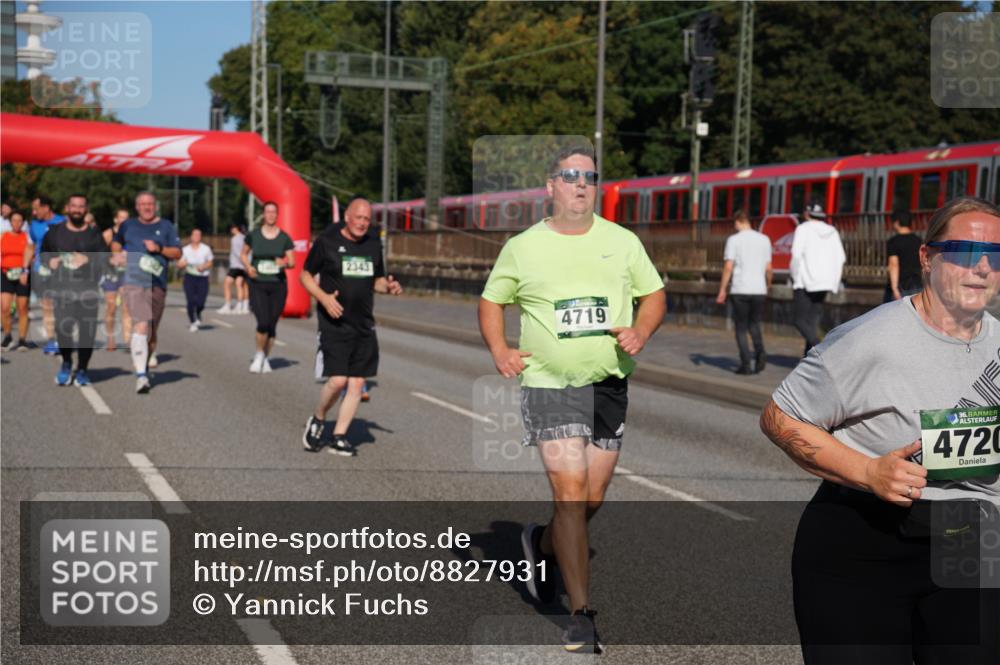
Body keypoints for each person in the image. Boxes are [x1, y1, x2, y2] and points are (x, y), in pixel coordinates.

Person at [760, 196, 1000, 664]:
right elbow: (779, 416)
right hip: (865, 544)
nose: (983, 267)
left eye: (996, 253)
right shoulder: (870, 339)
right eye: (966, 251)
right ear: (927, 258)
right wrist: (868, 471)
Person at [479, 145, 666, 653]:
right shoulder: (523, 246)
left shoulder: (622, 241)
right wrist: (501, 349)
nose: (581, 184)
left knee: (591, 499)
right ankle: (581, 614)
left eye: (589, 176)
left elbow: (653, 294)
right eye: (570, 176)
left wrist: (641, 332)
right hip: (548, 384)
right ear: (551, 186)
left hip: (607, 383)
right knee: (572, 490)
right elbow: (492, 299)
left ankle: (538, 546)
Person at [300, 197, 402, 456]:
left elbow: (377, 280)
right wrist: (322, 298)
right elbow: (305, 275)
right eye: (358, 218)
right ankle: (319, 418)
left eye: (367, 219)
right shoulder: (327, 242)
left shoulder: (372, 244)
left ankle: (339, 437)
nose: (362, 223)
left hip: (364, 324)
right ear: (347, 218)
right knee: (337, 380)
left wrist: (388, 287)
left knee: (356, 384)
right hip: (334, 321)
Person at [111, 191, 181, 393]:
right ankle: (141, 375)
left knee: (151, 332)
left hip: (157, 283)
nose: (147, 207)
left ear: (155, 206)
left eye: (150, 204)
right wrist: (117, 254)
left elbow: (177, 252)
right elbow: (116, 241)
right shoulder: (128, 225)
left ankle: (145, 361)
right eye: (143, 204)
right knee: (141, 323)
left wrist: (159, 248)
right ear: (137, 206)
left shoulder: (166, 226)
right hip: (134, 281)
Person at [39, 194, 107, 386]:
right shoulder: (54, 232)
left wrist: (89, 259)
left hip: (88, 291)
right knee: (63, 330)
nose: (77, 209)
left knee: (87, 333)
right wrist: (49, 260)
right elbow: (43, 253)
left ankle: (83, 369)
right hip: (62, 290)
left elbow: (105, 260)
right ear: (67, 208)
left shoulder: (94, 234)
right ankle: (67, 363)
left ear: (86, 209)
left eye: (81, 206)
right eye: (74, 206)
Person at [716, 208, 772, 374]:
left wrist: (722, 289)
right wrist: (767, 285)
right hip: (759, 289)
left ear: (737, 222)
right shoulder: (764, 239)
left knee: (740, 327)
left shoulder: (734, 240)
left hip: (740, 288)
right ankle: (760, 353)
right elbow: (769, 268)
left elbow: (728, 266)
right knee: (754, 324)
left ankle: (746, 364)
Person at [242, 201, 295, 373]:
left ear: (277, 215)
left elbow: (292, 262)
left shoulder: (284, 238)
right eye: (268, 212)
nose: (271, 215)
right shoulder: (254, 235)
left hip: (278, 284)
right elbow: (244, 253)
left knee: (272, 324)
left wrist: (284, 263)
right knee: (263, 321)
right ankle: (258, 355)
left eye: (274, 212)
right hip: (258, 283)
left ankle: (266, 357)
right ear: (263, 214)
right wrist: (248, 267)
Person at [790, 203, 845, 356]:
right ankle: (809, 359)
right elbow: (840, 257)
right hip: (825, 282)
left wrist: (795, 277)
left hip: (804, 281)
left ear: (807, 214)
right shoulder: (832, 231)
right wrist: (834, 280)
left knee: (800, 320)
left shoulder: (803, 229)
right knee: (812, 321)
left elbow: (796, 255)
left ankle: (822, 350)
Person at [29, 195, 65, 355]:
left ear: (46, 208)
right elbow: (31, 246)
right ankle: (52, 340)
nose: (33, 212)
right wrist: (25, 268)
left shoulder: (62, 221)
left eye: (36, 208)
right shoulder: (34, 224)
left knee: (62, 306)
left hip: (62, 270)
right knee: (47, 306)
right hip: (40, 270)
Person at [1, 211, 33, 351]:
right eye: (14, 220)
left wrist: (25, 270)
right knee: (5, 307)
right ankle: (7, 336)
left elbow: (32, 255)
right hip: (6, 273)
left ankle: (22, 339)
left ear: (23, 222)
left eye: (19, 220)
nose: (16, 223)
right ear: (10, 222)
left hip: (22, 275)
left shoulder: (27, 238)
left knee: (22, 307)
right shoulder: (3, 236)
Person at [101, 208, 132, 351]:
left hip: (127, 273)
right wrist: (110, 259)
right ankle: (111, 338)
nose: (124, 220)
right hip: (111, 273)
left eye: (126, 217)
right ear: (116, 219)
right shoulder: (108, 234)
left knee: (126, 307)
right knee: (111, 308)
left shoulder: (133, 234)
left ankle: (127, 341)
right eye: (121, 217)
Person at [177, 228, 214, 332]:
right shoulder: (185, 249)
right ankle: (193, 321)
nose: (197, 237)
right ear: (191, 237)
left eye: (199, 235)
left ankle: (198, 312)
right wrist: (182, 264)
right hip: (189, 277)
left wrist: (204, 266)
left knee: (200, 302)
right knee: (190, 301)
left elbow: (211, 262)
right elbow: (179, 264)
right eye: (195, 235)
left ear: (201, 237)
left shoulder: (206, 249)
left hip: (203, 277)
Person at [885, 209, 923, 303]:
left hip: (901, 286)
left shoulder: (893, 242)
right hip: (917, 285)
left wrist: (894, 289)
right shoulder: (918, 241)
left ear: (897, 222)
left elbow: (893, 264)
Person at [219, 223, 249, 314]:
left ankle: (227, 305)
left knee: (227, 283)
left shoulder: (235, 239)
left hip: (237, 265)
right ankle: (242, 306)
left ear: (236, 229)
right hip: (244, 265)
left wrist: (243, 263)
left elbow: (237, 253)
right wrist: (247, 265)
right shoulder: (245, 238)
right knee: (240, 284)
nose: (231, 230)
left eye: (232, 228)